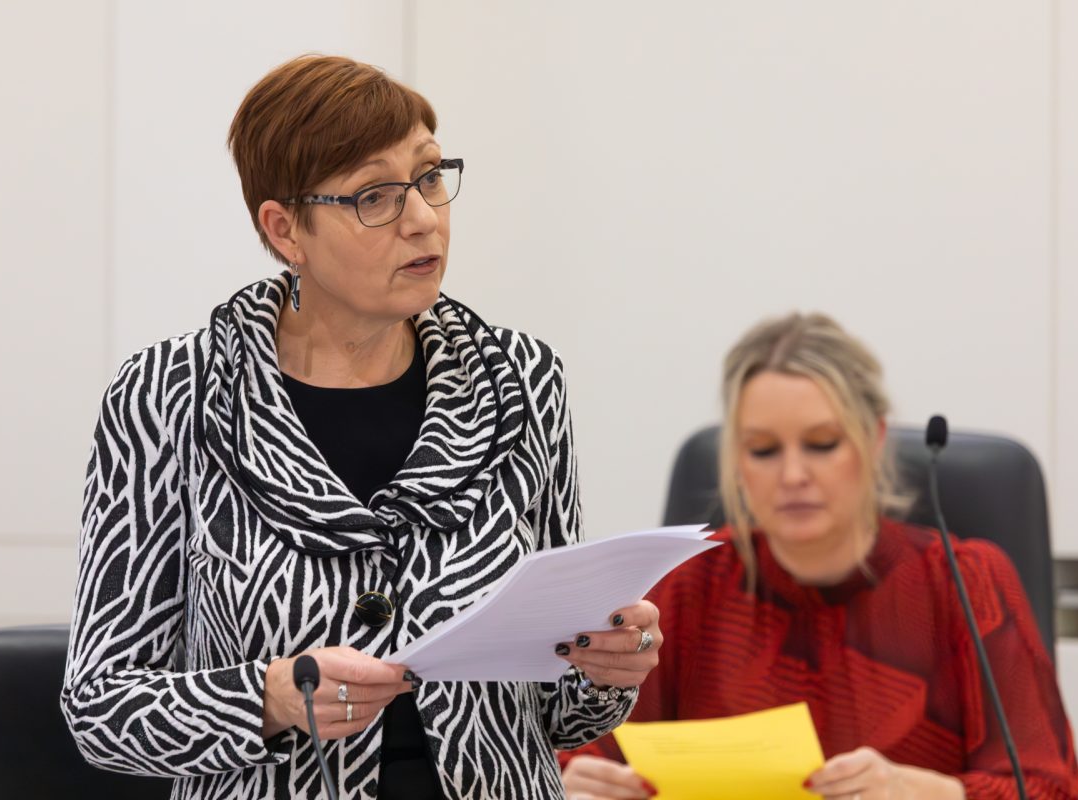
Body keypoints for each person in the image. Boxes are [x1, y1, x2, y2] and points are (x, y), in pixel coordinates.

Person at [61, 55, 662, 800]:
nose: (422, 217)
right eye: (374, 195)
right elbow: (102, 706)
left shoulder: (521, 380)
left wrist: (606, 664)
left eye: (431, 177)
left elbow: (553, 714)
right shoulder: (170, 395)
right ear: (286, 230)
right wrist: (272, 697)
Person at [561, 312, 1078, 800]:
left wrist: (935, 793)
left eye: (822, 444)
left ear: (874, 438)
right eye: (764, 450)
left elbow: (1052, 788)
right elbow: (585, 752)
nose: (793, 476)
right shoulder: (688, 580)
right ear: (736, 460)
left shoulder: (965, 580)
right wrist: (575, 782)